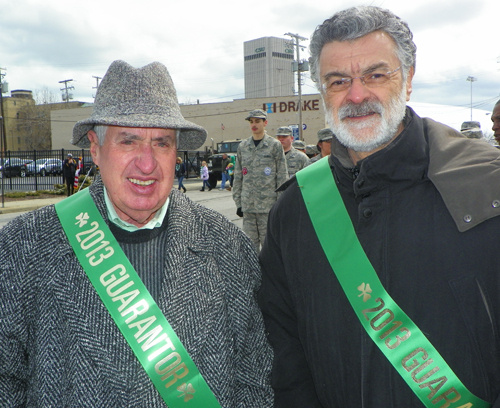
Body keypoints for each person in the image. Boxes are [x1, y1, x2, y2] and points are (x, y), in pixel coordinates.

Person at [258, 6, 500, 407]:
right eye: (338, 81)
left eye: (375, 74)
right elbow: (283, 351)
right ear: (322, 91)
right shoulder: (294, 209)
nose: (356, 95)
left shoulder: (486, 188)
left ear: (407, 81)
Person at [0, 60, 273, 407]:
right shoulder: (24, 246)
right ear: (95, 148)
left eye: (161, 143)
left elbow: (254, 380)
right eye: (128, 141)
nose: (147, 163)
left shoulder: (227, 246)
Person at [232, 109, 287, 252]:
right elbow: (238, 176)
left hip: (268, 207)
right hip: (248, 207)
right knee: (249, 249)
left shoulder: (274, 145)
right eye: (251, 122)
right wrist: (238, 202)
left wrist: (279, 205)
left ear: (265, 123)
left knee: (270, 248)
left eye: (257, 121)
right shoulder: (243, 146)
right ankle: (252, 275)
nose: (254, 124)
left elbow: (282, 176)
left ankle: (270, 275)